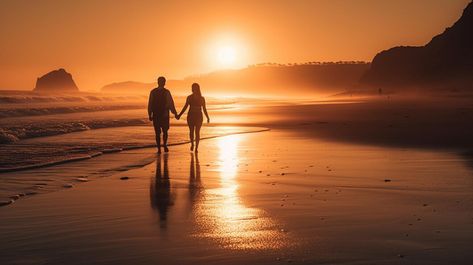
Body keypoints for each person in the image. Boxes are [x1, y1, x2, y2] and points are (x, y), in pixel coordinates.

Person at [148, 76, 178, 153]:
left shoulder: (153, 92)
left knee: (157, 133)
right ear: (164, 83)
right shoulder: (166, 92)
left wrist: (150, 114)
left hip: (156, 114)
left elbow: (150, 104)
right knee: (165, 131)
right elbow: (170, 103)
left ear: (158, 82)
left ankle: (159, 148)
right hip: (164, 115)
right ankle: (164, 145)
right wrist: (175, 113)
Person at [177, 83, 210, 152]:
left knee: (197, 132)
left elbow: (204, 109)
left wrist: (207, 117)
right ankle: (192, 144)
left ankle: (196, 148)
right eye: (192, 87)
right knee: (191, 131)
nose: (193, 89)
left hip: (199, 116)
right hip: (191, 116)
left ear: (197, 89)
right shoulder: (189, 97)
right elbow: (185, 107)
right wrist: (179, 115)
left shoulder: (202, 98)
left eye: (195, 88)